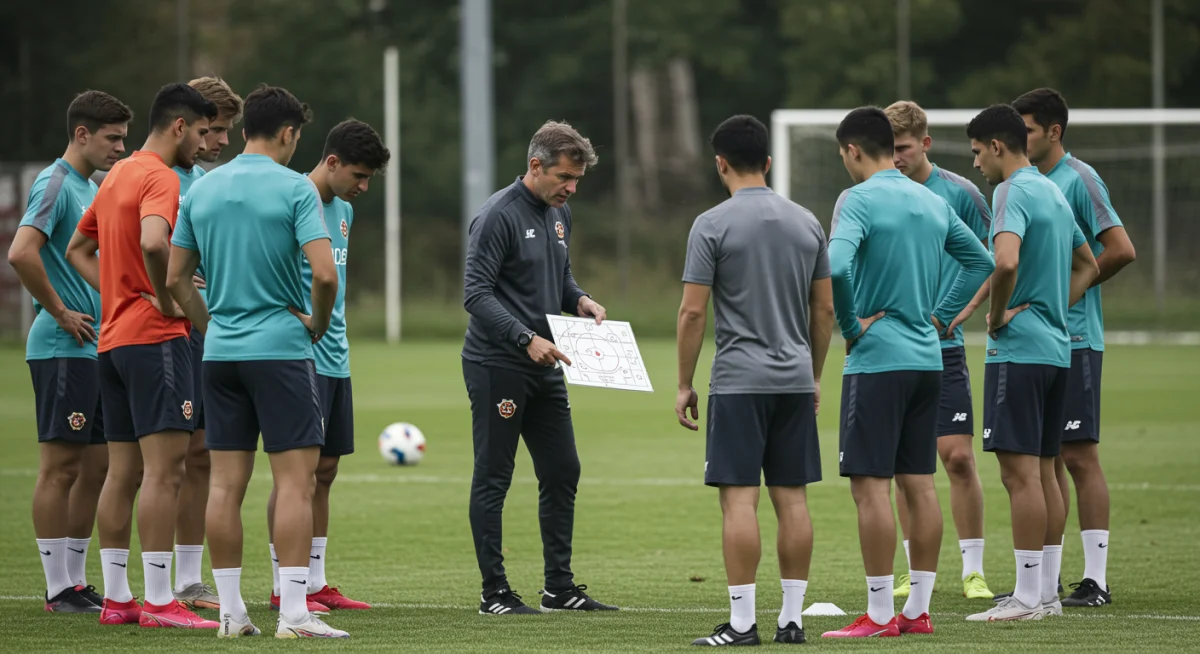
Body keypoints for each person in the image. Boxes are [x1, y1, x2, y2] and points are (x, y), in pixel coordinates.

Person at [165, 84, 346, 639]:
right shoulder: (295, 188)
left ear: (245, 130)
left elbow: (174, 278)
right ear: (289, 133)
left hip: (220, 354)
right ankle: (294, 614)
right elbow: (325, 274)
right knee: (295, 482)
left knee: (224, 485)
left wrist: (208, 323)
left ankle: (229, 613)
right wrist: (315, 322)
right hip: (280, 351)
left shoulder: (202, 188)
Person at [821, 107, 994, 639]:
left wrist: (851, 324)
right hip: (929, 359)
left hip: (879, 361)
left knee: (870, 488)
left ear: (852, 150)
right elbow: (982, 262)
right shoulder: (929, 198)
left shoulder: (857, 199)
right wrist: (941, 316)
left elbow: (837, 266)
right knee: (919, 483)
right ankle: (917, 610)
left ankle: (877, 616)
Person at [675, 115, 833, 647]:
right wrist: (812, 376)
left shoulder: (711, 224)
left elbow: (693, 314)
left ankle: (743, 624)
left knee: (739, 502)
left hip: (739, 382)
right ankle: (792, 620)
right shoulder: (807, 221)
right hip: (793, 381)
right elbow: (825, 310)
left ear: (720, 163)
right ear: (767, 161)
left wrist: (683, 383)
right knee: (793, 501)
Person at [66, 82, 218, 629]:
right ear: (179, 126)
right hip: (156, 342)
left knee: (121, 473)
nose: (204, 144)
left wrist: (118, 295)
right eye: (202, 132)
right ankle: (158, 601)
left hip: (113, 342)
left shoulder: (118, 174)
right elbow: (156, 243)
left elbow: (78, 249)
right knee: (165, 472)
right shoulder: (157, 177)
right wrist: (164, 293)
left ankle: (117, 599)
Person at [461, 120, 616, 615]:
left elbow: (560, 275)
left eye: (576, 181)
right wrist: (524, 338)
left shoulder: (559, 213)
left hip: (547, 362)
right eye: (565, 178)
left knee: (563, 468)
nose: (570, 189)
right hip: (498, 363)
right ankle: (494, 593)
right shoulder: (497, 216)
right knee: (494, 476)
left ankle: (559, 588)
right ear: (535, 166)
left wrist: (583, 300)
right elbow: (475, 295)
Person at [962, 104, 1099, 622]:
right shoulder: (1053, 191)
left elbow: (1006, 260)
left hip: (1018, 350)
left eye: (977, 152)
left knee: (1019, 476)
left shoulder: (1011, 191)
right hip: (1058, 349)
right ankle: (1043, 595)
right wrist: (1050, 307)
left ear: (996, 146)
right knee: (1044, 473)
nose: (976, 164)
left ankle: (1024, 597)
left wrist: (998, 316)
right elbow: (1087, 264)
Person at [8, 90, 131, 613]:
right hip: (63, 344)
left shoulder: (91, 187)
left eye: (125, 139)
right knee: (59, 467)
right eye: (113, 138)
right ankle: (56, 587)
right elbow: (21, 252)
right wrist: (57, 310)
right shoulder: (56, 183)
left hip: (96, 347)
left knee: (98, 466)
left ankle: (76, 582)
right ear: (81, 134)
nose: (121, 149)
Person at [1012, 88, 1136, 608]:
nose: (1021, 140)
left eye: (1029, 131)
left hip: (1077, 339)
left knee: (1078, 455)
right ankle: (1045, 583)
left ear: (1054, 131)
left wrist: (1068, 294)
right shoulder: (1030, 183)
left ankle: (1097, 579)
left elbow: (1121, 248)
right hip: (1043, 341)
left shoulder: (1079, 178)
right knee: (1047, 460)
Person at [265, 119, 390, 613]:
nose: (362, 188)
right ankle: (283, 585)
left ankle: (315, 582)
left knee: (327, 469)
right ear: (331, 161)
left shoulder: (343, 213)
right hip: (297, 355)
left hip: (336, 355)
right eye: (358, 176)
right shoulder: (290, 198)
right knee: (295, 475)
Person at [883, 100, 995, 601]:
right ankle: (909, 568)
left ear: (925, 144)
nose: (896, 158)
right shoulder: (878, 194)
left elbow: (992, 258)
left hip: (943, 347)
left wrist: (959, 309)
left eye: (903, 148)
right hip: (892, 348)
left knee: (958, 459)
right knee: (903, 463)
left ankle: (973, 569)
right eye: (889, 150)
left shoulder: (961, 193)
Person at [169, 75, 244, 612]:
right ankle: (116, 582)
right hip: (159, 333)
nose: (220, 142)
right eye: (213, 130)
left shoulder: (206, 180)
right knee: (150, 462)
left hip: (206, 331)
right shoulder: (154, 178)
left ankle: (187, 580)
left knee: (199, 455)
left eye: (224, 131)